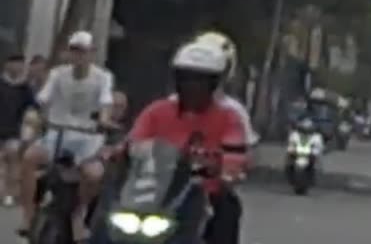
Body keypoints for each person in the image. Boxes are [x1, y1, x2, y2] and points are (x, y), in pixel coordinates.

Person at [126, 42, 246, 244]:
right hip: (149, 190)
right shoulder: (157, 111)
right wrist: (115, 155)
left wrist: (226, 170)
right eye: (186, 79)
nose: (192, 86)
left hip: (202, 194)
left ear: (213, 84)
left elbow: (234, 156)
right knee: (106, 213)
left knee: (228, 208)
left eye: (200, 80)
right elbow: (133, 142)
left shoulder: (229, 117)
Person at [20, 32, 114, 241]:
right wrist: (37, 117)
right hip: (56, 136)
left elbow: (105, 103)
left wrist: (104, 120)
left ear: (92, 53)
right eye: (74, 50)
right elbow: (43, 100)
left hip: (87, 140)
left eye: (82, 51)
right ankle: (27, 215)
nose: (78, 56)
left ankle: (79, 212)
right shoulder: (57, 74)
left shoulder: (103, 77)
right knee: (29, 158)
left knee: (93, 175)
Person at [0, 54, 35, 207]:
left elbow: (33, 108)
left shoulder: (25, 87)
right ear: (7, 65)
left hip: (13, 131)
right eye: (14, 63)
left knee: (13, 160)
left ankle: (9, 194)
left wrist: (29, 130)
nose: (17, 67)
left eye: (20, 64)